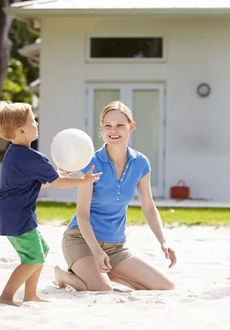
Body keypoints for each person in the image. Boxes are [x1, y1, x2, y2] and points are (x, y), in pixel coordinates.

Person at [54, 101, 177, 292]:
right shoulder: (91, 162)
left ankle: (102, 273)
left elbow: (149, 207)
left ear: (131, 126)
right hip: (82, 241)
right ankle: (64, 275)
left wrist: (163, 241)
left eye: (120, 125)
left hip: (116, 247)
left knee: (165, 286)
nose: (114, 130)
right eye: (108, 126)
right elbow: (82, 215)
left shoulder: (141, 163)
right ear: (101, 128)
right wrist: (96, 252)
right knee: (103, 290)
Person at [0, 101, 102, 307]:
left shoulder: (15, 153)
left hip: (13, 212)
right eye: (32, 121)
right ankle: (6, 297)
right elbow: (58, 183)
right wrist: (83, 180)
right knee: (33, 259)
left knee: (40, 251)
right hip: (17, 214)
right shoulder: (32, 158)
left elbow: (36, 183)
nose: (36, 123)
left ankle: (30, 295)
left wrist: (55, 177)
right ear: (21, 130)